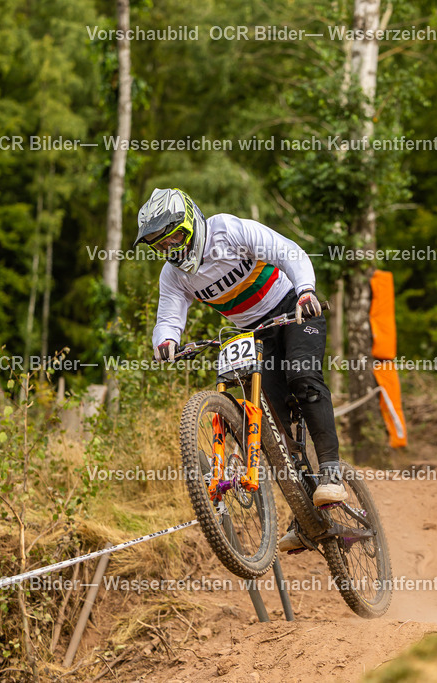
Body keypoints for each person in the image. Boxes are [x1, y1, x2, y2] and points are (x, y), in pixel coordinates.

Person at [133, 187, 344, 553]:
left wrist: (307, 290)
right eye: (161, 245)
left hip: (293, 308)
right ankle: (306, 510)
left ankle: (331, 471)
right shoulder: (174, 276)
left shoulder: (227, 231)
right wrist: (166, 341)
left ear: (192, 220)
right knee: (272, 422)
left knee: (303, 379)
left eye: (176, 238)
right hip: (250, 333)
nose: (172, 249)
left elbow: (287, 251)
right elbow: (169, 313)